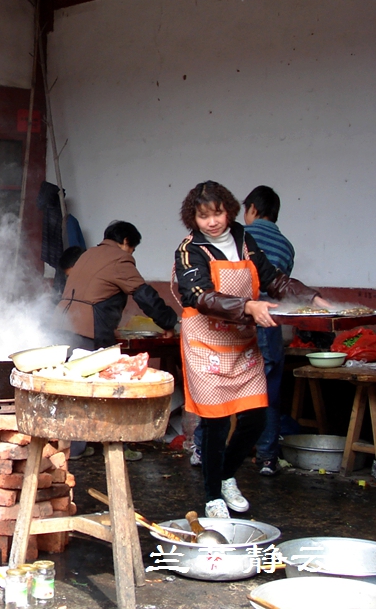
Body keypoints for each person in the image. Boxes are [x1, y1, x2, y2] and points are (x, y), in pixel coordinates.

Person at [173, 181, 329, 518]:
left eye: (217, 213)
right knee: (214, 423)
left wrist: (310, 296)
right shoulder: (189, 249)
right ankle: (212, 494)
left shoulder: (244, 238)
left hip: (241, 344)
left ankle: (227, 474)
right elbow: (197, 295)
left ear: (229, 210)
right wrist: (248, 307)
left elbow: (272, 277)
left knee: (256, 417)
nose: (212, 222)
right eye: (203, 217)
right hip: (206, 343)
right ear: (193, 218)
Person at [55, 220, 178, 350]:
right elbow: (145, 295)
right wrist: (168, 323)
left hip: (61, 325)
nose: (131, 253)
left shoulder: (87, 255)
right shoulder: (119, 258)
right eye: (132, 249)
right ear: (126, 241)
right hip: (89, 333)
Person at [243, 186, 295, 476]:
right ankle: (267, 459)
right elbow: (282, 291)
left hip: (242, 321)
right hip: (272, 325)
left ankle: (204, 451)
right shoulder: (286, 246)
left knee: (225, 387)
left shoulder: (241, 237)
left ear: (252, 209)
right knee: (269, 392)